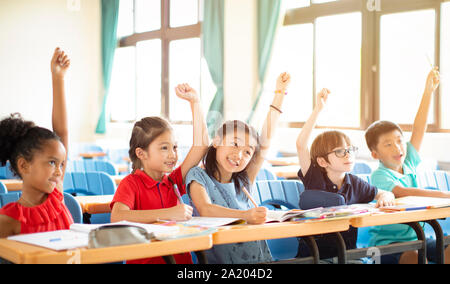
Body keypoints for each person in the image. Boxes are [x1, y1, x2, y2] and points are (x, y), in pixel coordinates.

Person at [185, 72, 291, 264]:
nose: (239, 155)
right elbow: (206, 209)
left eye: (247, 152)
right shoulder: (197, 176)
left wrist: (280, 92)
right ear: (216, 142)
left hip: (259, 262)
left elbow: (265, 142)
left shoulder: (243, 179)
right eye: (234, 144)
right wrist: (245, 216)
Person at [110, 83, 209, 264]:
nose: (173, 154)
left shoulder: (173, 181)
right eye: (164, 148)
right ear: (142, 153)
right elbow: (118, 216)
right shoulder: (130, 184)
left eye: (175, 147)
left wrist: (195, 103)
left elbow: (201, 146)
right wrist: (168, 213)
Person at [295, 88, 395, 260]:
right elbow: (301, 144)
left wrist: (386, 196)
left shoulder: (355, 182)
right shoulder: (314, 178)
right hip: (315, 258)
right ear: (322, 161)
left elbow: (383, 193)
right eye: (340, 152)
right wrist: (318, 109)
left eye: (350, 150)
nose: (348, 155)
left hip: (348, 256)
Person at [365, 67, 450, 264]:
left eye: (399, 140)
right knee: (414, 257)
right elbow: (405, 192)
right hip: (385, 246)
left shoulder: (409, 161)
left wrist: (428, 91)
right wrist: (446, 195)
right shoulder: (379, 175)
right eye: (388, 144)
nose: (397, 147)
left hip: (418, 239)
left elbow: (419, 127)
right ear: (375, 153)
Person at [0, 48, 72, 238]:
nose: (59, 171)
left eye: (61, 164)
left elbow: (62, 132)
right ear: (24, 165)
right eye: (51, 162)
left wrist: (58, 78)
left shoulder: (56, 195)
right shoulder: (8, 221)